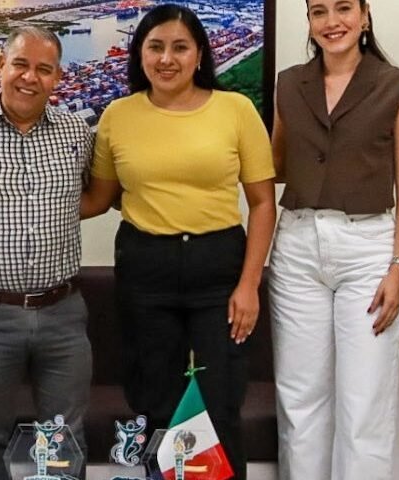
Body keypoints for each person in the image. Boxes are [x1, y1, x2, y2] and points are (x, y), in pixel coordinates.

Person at [81, 5, 276, 478]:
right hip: (146, 268)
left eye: (180, 47)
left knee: (220, 402)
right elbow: (100, 198)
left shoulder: (236, 109)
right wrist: (25, 199)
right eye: (155, 47)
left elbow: (263, 204)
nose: (167, 59)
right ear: (140, 54)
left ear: (200, 54)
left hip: (219, 268)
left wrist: (249, 285)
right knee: (155, 401)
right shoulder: (118, 115)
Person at [267, 0, 399, 478]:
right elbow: (274, 165)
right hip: (297, 245)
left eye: (343, 8)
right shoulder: (289, 83)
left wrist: (398, 267)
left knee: (365, 402)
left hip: (368, 248)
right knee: (301, 400)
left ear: (365, 15)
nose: (332, 22)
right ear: (309, 22)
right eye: (319, 11)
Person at [0, 27, 95, 480]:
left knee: (65, 440)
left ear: (57, 77)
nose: (30, 77)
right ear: (0, 67)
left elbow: (98, 195)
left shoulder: (77, 132)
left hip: (64, 312)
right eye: (20, 65)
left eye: (44, 69)